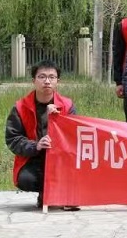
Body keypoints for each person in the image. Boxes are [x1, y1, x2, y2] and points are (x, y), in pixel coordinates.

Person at [5, 61, 78, 209]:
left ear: (58, 81)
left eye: (52, 77)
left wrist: (58, 119)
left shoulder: (67, 105)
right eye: (42, 77)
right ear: (34, 80)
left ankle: (64, 194)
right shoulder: (20, 107)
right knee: (26, 179)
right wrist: (35, 145)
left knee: (82, 173)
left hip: (61, 159)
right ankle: (46, 193)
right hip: (34, 159)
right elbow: (13, 138)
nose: (47, 81)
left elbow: (74, 136)